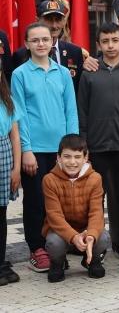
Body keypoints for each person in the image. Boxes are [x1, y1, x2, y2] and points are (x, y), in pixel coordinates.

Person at [12, 23, 79, 273]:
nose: (41, 44)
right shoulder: (20, 74)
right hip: (35, 150)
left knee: (62, 199)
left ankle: (61, 241)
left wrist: (73, 148)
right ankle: (37, 248)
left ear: (52, 42)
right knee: (36, 201)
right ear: (27, 44)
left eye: (45, 39)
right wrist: (26, 150)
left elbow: (70, 110)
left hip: (61, 150)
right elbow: (19, 115)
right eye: (35, 40)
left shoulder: (63, 73)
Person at [77, 22, 119, 262]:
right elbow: (81, 111)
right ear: (98, 45)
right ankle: (96, 241)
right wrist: (84, 147)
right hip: (96, 147)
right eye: (105, 41)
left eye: (115, 40)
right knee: (96, 197)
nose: (111, 45)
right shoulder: (89, 74)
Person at [42, 135, 109, 282]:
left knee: (103, 237)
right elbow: (54, 216)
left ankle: (91, 260)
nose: (72, 162)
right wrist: (73, 237)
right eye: (67, 156)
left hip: (85, 228)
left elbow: (96, 212)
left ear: (85, 158)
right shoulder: (49, 180)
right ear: (59, 157)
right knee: (53, 242)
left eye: (77, 157)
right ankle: (58, 263)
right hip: (61, 232)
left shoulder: (95, 178)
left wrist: (90, 235)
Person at [11, 0, 86, 92]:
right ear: (37, 20)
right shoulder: (20, 55)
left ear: (64, 21)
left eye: (58, 20)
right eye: (49, 19)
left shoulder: (75, 52)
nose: (54, 26)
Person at [0, 66, 21, 286]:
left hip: (4, 158)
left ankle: (1, 261)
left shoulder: (6, 100)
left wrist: (16, 168)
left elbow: (14, 136)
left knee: (1, 214)